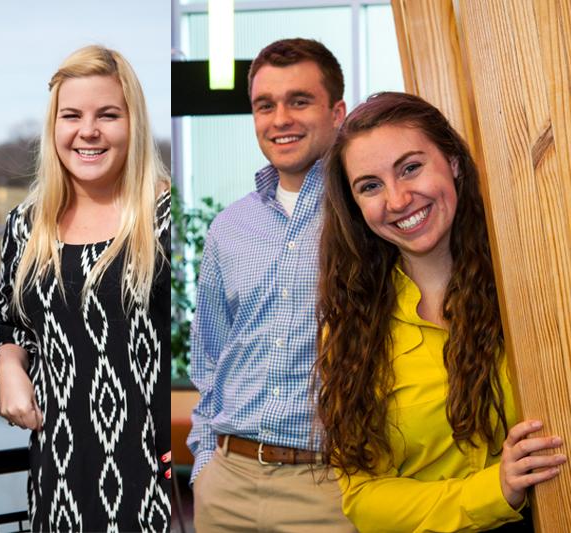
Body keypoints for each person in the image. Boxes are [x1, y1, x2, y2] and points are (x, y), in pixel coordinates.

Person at [317, 91, 565, 532]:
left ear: (451, 161)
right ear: (355, 206)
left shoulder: (535, 284)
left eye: (410, 168)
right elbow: (364, 499)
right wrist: (495, 489)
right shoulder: (350, 325)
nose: (396, 200)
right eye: (370, 186)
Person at [0, 45, 170, 532]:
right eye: (72, 115)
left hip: (153, 482)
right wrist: (7, 365)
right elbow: (9, 321)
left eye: (108, 114)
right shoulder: (27, 225)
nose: (88, 131)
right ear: (54, 127)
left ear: (133, 123)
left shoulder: (167, 220)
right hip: (59, 475)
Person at [187, 38, 354, 532]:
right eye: (265, 105)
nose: (280, 118)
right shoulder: (228, 227)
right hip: (227, 485)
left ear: (337, 112)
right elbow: (209, 358)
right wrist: (204, 467)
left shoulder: (368, 216)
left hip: (329, 489)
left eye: (299, 101)